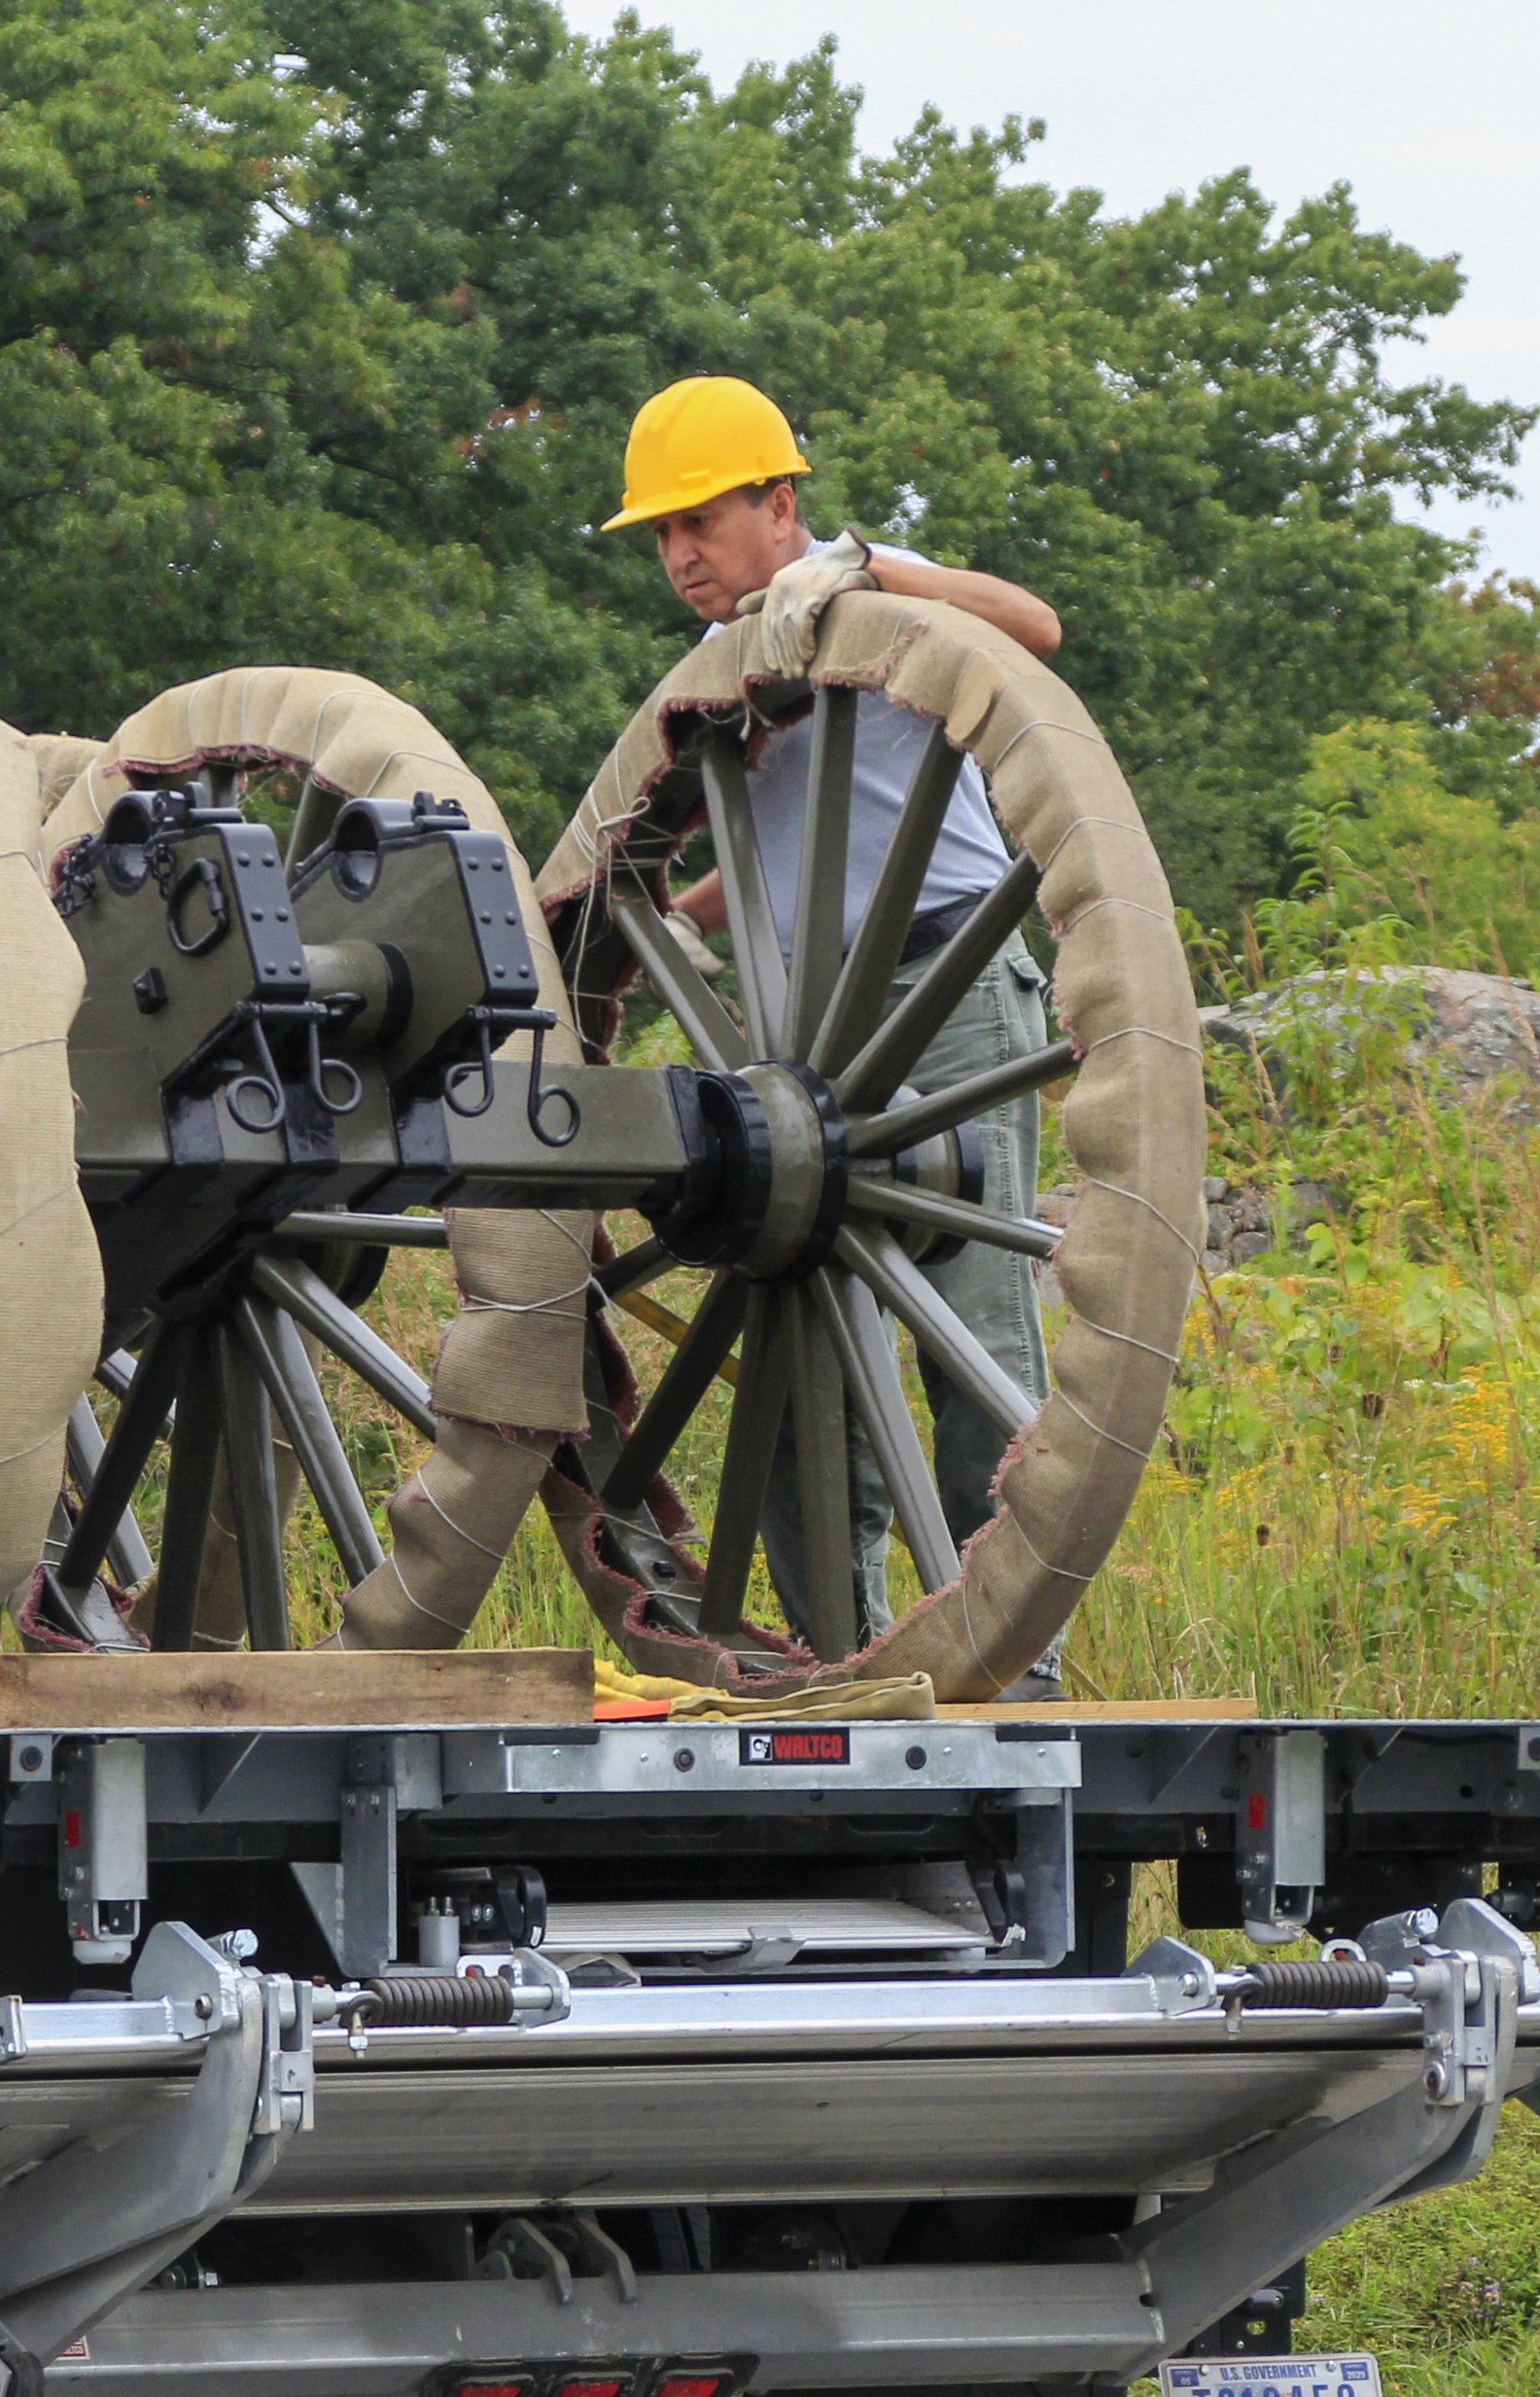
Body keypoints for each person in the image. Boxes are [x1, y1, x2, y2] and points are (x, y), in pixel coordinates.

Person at [602, 373, 1062, 1684]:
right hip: (809, 1038)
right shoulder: (726, 668)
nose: (681, 554)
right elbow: (785, 841)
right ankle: (845, 1673)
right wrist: (656, 930)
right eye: (662, 533)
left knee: (975, 1356)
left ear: (781, 504)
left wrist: (869, 582)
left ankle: (1012, 1679)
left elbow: (1037, 624)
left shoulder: (861, 592)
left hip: (947, 992)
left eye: (702, 518)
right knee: (804, 1379)